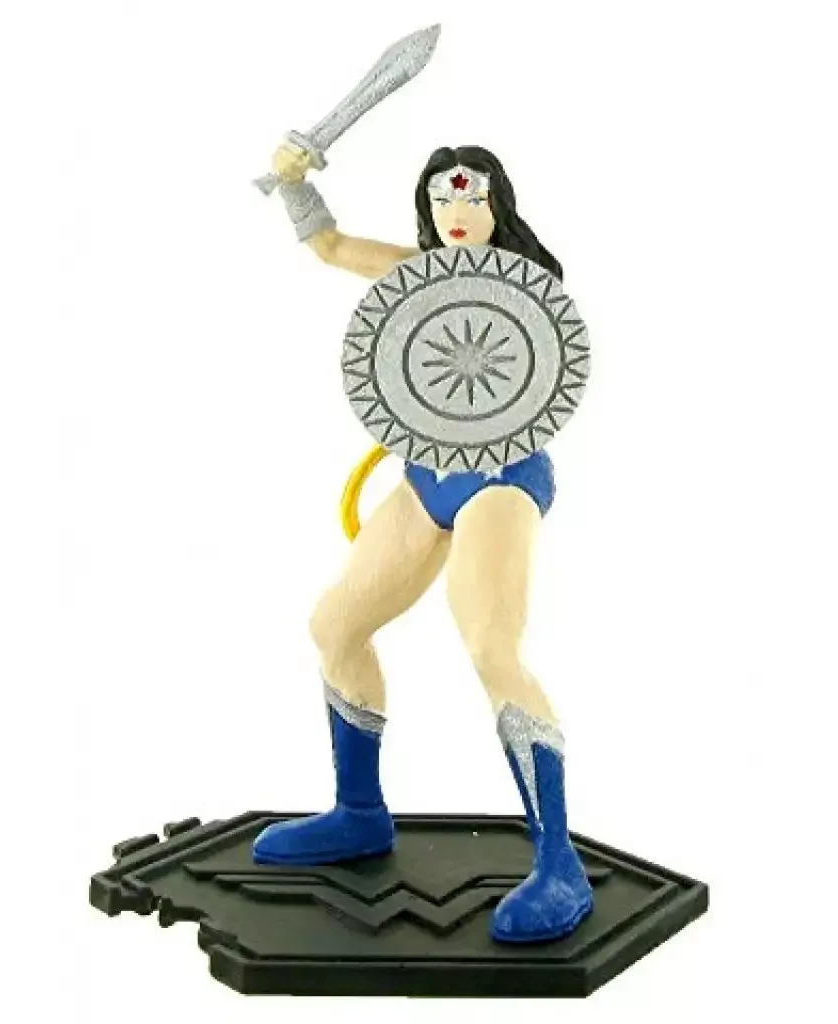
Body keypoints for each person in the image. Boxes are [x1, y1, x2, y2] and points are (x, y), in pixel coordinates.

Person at [250, 143, 593, 943]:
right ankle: (359, 812)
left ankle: (560, 865)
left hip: (501, 480)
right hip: (423, 478)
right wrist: (294, 183)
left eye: (471, 199)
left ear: (498, 206)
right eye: (443, 200)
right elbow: (331, 246)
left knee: (491, 647)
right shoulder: (416, 272)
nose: (457, 214)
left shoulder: (526, 289)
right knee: (336, 627)